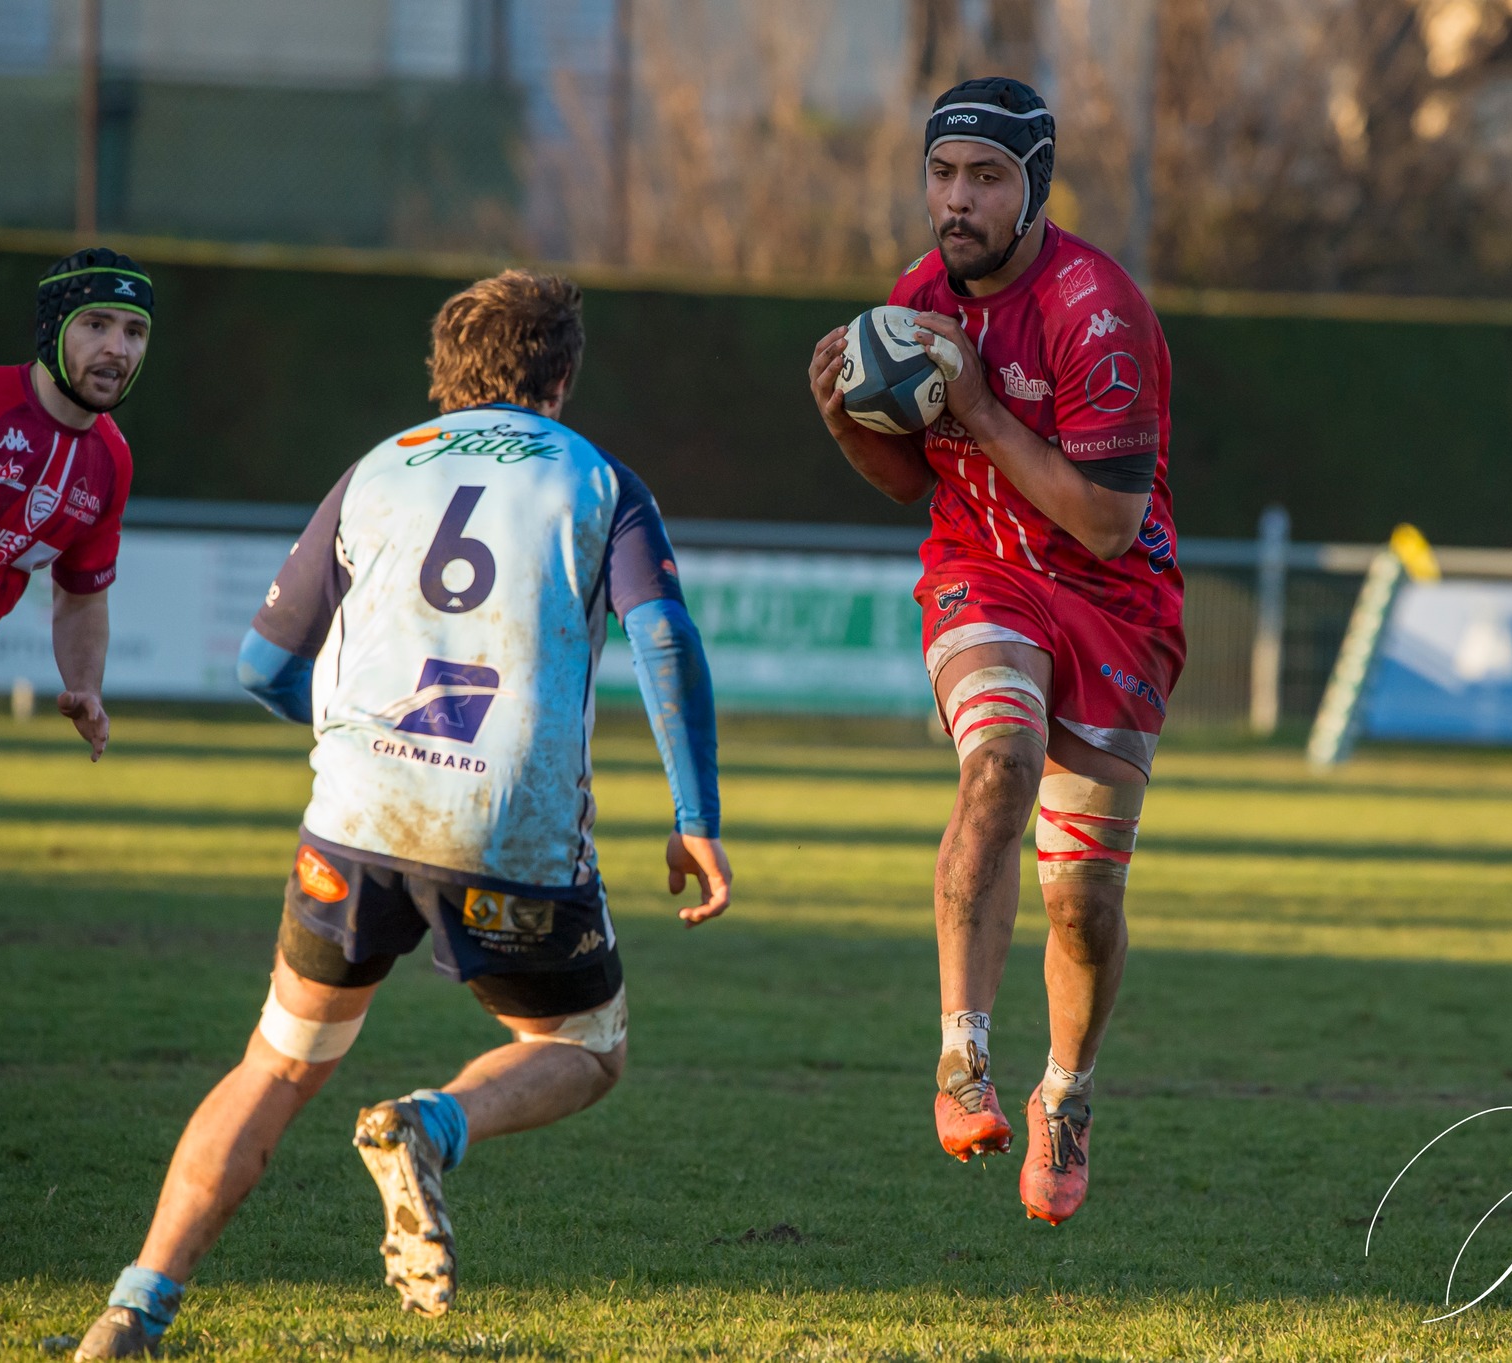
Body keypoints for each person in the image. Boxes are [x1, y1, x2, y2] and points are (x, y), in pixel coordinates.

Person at [75, 271, 732, 1359]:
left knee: (278, 1062)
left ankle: (131, 1310)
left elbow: (259, 664)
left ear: (444, 373)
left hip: (356, 817)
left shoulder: (381, 465)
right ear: (559, 376)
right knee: (585, 1043)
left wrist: (348, 743)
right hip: (507, 825)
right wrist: (693, 811)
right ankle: (434, 1122)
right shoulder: (597, 479)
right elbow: (662, 637)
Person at [807, 77, 1184, 1226]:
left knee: (1082, 901)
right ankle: (961, 1055)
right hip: (984, 573)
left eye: (984, 178)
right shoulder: (917, 299)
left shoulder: (1096, 313)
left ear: (1033, 189)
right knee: (997, 762)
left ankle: (1065, 1092)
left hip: (1114, 599)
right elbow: (915, 483)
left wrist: (973, 402)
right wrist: (840, 418)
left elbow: (1106, 523)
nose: (955, 200)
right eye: (940, 173)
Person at [0, 246, 152, 760]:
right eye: (97, 324)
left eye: (135, 332)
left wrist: (86, 685)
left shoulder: (111, 461)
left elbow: (82, 596)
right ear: (53, 327)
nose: (118, 348)